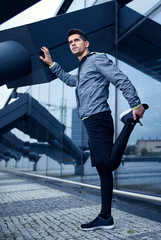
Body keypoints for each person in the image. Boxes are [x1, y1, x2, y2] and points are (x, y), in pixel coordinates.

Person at [39, 28, 147, 230]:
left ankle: (129, 123)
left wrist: (135, 104)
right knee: (103, 170)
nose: (72, 43)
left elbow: (120, 79)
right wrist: (52, 64)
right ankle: (106, 218)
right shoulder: (83, 68)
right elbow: (72, 81)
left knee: (109, 163)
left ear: (86, 43)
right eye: (70, 41)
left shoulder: (97, 59)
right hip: (90, 121)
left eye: (76, 40)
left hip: (99, 118)